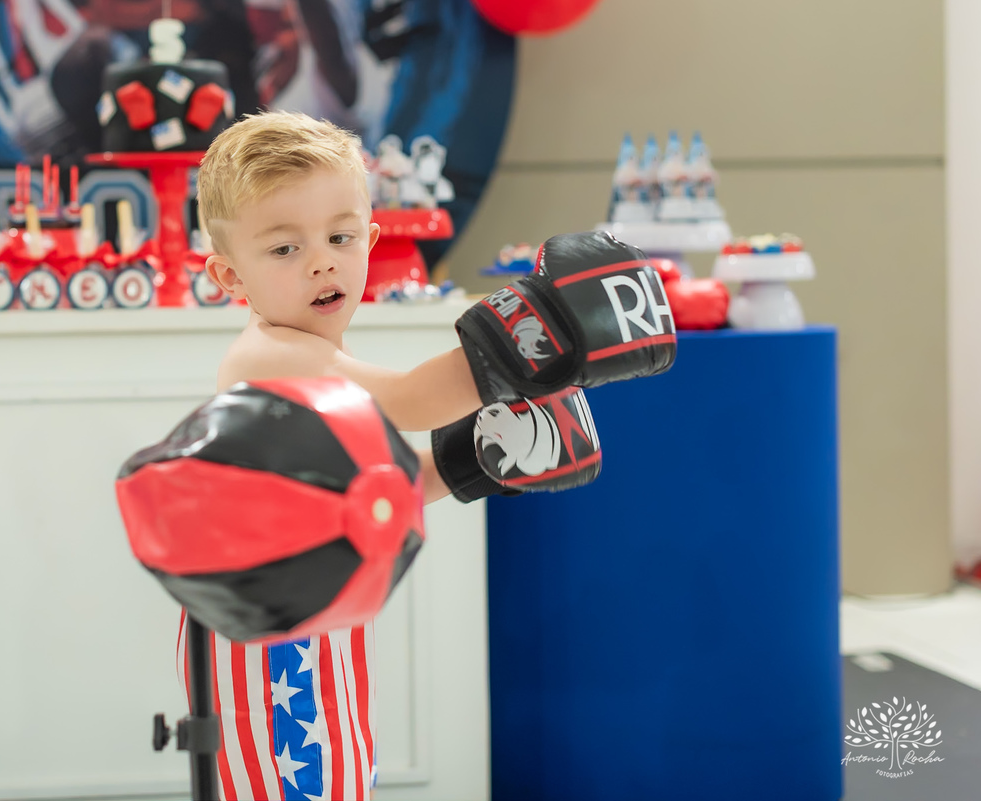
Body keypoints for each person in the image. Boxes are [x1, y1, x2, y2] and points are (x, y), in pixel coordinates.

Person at [195, 110, 673, 800]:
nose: (323, 259)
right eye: (284, 249)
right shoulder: (268, 352)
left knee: (340, 774)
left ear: (371, 239)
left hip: (315, 614)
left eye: (339, 236)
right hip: (267, 632)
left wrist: (466, 465)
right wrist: (534, 332)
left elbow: (367, 492)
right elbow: (411, 402)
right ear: (229, 276)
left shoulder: (317, 352)